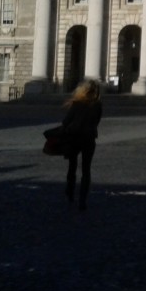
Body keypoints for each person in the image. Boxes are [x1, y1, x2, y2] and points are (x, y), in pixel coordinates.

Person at [61, 80, 102, 210]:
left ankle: (70, 190)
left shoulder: (77, 104)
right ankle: (82, 200)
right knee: (86, 170)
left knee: (72, 166)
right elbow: (97, 121)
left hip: (74, 137)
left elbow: (66, 121)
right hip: (89, 138)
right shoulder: (97, 105)